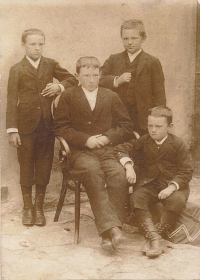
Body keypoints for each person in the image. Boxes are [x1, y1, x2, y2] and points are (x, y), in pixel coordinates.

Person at [53, 56, 134, 251]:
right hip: (79, 153)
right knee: (93, 172)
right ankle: (113, 230)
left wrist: (107, 137)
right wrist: (85, 139)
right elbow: (60, 128)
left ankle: (109, 234)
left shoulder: (111, 96)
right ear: (77, 76)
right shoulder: (68, 96)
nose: (91, 79)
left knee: (118, 174)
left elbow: (126, 125)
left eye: (95, 75)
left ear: (100, 75)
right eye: (86, 75)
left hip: (106, 150)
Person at [6, 28, 78, 227]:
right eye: (32, 44)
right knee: (26, 163)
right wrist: (12, 129)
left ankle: (39, 207)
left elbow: (72, 78)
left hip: (46, 125)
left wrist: (59, 87)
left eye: (40, 44)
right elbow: (12, 100)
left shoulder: (50, 64)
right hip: (25, 125)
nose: (37, 48)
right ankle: (27, 207)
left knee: (45, 164)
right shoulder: (17, 69)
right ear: (23, 45)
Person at [114, 106, 193, 258]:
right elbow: (120, 149)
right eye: (150, 125)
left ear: (169, 127)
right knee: (137, 197)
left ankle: (157, 236)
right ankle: (155, 238)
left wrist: (171, 188)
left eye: (158, 126)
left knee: (176, 200)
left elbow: (186, 171)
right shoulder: (144, 141)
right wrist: (129, 166)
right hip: (149, 184)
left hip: (174, 186)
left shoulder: (177, 144)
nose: (153, 130)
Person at [100, 19, 166, 135]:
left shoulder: (152, 62)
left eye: (134, 38)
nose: (129, 42)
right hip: (117, 115)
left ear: (143, 38)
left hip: (142, 116)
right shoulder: (113, 59)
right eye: (125, 39)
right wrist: (117, 80)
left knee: (141, 146)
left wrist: (158, 118)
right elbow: (98, 79)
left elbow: (159, 94)